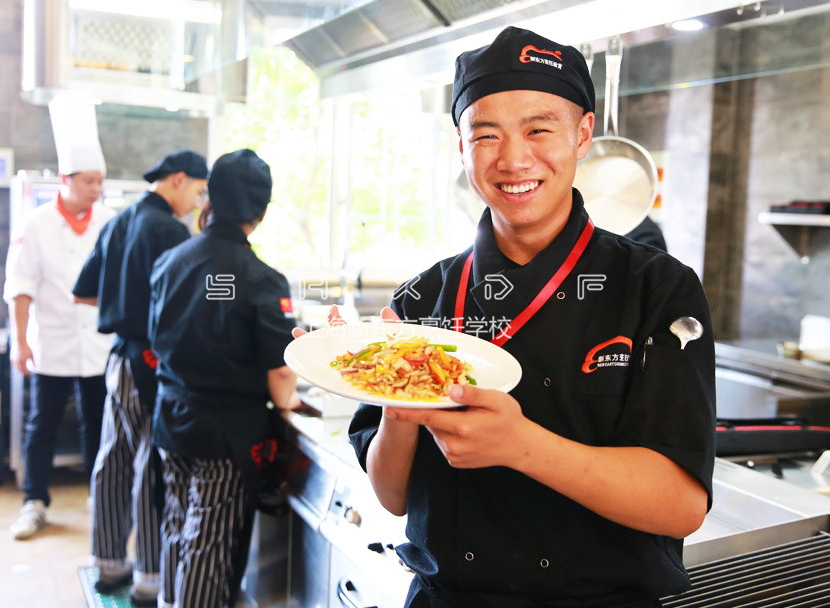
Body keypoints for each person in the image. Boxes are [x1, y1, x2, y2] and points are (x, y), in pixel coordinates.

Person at [347, 27, 715, 608]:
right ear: (461, 146)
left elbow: (681, 505)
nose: (514, 159)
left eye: (539, 129)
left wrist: (522, 446)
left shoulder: (657, 288)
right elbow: (391, 496)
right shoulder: (423, 298)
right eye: (486, 135)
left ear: (582, 134)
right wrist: (397, 399)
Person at [148, 149, 300, 608]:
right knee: (207, 543)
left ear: (209, 198)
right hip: (225, 433)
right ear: (261, 212)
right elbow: (280, 370)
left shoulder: (171, 260)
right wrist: (289, 403)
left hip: (171, 416)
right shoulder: (261, 277)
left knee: (177, 524)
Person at [72, 150, 208, 607]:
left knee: (112, 459)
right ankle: (150, 578)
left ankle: (108, 564)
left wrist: (123, 306)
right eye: (198, 191)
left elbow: (83, 292)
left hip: (118, 360)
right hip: (151, 362)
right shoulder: (169, 230)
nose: (197, 202)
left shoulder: (116, 223)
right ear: (178, 179)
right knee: (151, 463)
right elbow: (185, 305)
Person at [4, 113, 116, 539]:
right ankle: (34, 501)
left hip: (99, 343)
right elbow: (20, 287)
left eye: (100, 181)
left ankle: (99, 496)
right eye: (89, 181)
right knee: (43, 424)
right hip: (50, 341)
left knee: (99, 423)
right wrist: (20, 342)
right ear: (66, 180)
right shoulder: (35, 224)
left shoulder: (108, 221)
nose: (96, 189)